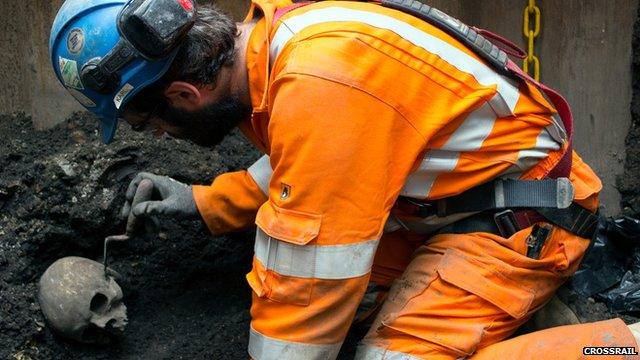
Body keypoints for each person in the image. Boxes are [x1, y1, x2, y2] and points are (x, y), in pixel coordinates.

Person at [50, 0, 640, 358]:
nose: (160, 138)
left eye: (154, 123)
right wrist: (210, 202)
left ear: (185, 93)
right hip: (438, 203)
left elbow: (308, 293)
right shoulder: (273, 47)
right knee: (311, 290)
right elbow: (310, 161)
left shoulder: (322, 85)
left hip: (524, 222)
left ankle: (617, 347)